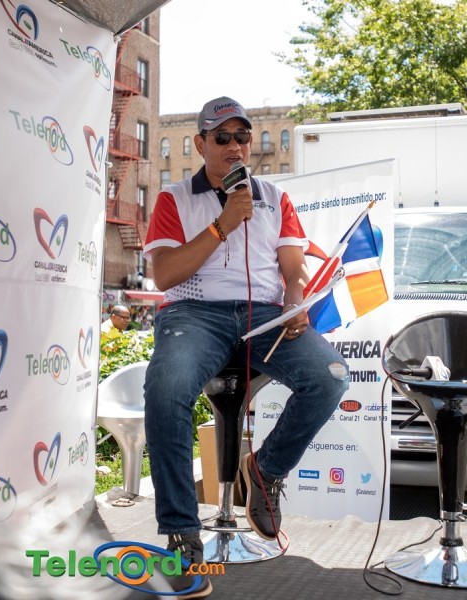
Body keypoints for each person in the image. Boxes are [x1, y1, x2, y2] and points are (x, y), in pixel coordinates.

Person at [143, 97, 349, 597]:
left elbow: (293, 265)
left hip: (264, 315)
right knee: (166, 389)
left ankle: (266, 470)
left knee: (330, 376)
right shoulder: (174, 198)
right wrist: (223, 224)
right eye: (222, 137)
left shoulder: (274, 196)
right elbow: (164, 274)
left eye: (242, 136)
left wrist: (296, 301)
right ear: (201, 144)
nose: (234, 145)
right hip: (195, 311)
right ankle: (182, 532)